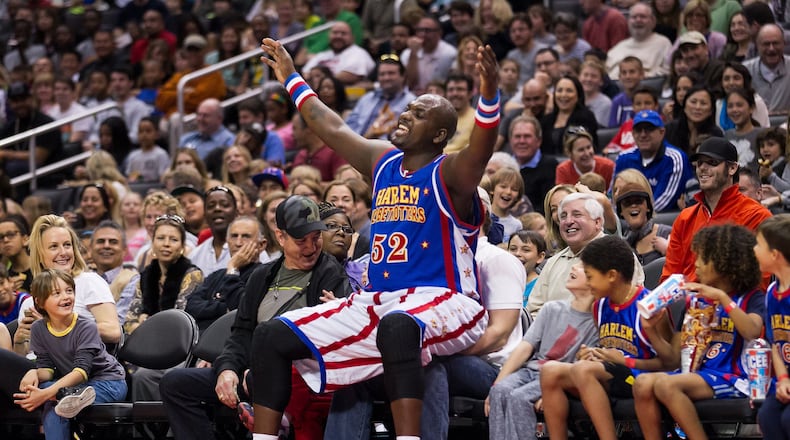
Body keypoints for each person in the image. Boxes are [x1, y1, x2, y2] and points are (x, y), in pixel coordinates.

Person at [250, 37, 501, 439]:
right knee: (271, 336)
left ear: (438, 135)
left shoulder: (450, 175)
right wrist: (292, 78)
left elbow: (482, 148)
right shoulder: (382, 161)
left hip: (445, 298)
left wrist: (489, 95)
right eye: (408, 108)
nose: (405, 114)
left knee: (399, 328)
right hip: (378, 300)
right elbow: (329, 125)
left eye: (418, 114)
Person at [159, 196, 350, 440]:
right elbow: (241, 333)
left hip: (297, 375)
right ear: (280, 237)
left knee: (264, 376)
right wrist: (227, 369)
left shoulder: (330, 273)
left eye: (316, 238)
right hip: (252, 371)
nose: (311, 248)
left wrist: (259, 369)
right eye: (301, 241)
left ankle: (275, 423)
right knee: (175, 383)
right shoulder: (262, 276)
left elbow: (322, 338)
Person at [634, 223, 764, 440]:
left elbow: (752, 330)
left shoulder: (753, 298)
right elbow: (675, 358)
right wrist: (653, 330)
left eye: (701, 259)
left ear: (723, 262)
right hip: (696, 374)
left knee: (667, 385)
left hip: (736, 377)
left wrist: (723, 298)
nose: (696, 265)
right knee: (642, 384)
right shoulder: (695, 300)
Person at [540, 235, 674, 440]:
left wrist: (624, 361)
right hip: (612, 376)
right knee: (550, 370)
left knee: (584, 370)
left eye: (590, 276)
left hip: (642, 377)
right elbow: (608, 355)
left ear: (611, 275)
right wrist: (594, 354)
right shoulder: (599, 306)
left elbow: (669, 364)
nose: (588, 283)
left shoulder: (650, 305)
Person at [486, 263, 597, 440]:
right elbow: (525, 347)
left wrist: (552, 393)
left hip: (555, 377)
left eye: (582, 267)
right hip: (530, 371)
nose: (574, 268)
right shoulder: (551, 308)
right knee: (499, 391)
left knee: (518, 398)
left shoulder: (596, 322)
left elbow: (579, 368)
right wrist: (497, 383)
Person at [13, 269, 127, 440]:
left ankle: (67, 397)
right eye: (56, 293)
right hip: (72, 386)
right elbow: (46, 368)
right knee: (51, 396)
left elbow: (81, 372)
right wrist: (34, 373)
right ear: (39, 301)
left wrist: (46, 394)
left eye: (69, 291)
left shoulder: (86, 326)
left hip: (108, 382)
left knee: (55, 403)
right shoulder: (38, 328)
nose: (66, 297)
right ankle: (67, 396)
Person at [661, 137, 772, 283]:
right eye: (700, 163)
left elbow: (760, 279)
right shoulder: (685, 218)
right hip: (686, 302)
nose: (702, 168)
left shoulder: (757, 215)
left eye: (712, 162)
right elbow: (669, 276)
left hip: (731, 303)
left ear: (732, 168)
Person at [124, 214, 203, 401]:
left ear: (182, 246)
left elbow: (178, 322)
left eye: (173, 239)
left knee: (144, 375)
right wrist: (143, 325)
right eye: (161, 238)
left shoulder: (192, 275)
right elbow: (130, 321)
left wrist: (145, 324)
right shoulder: (146, 276)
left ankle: (161, 428)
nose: (166, 244)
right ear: (152, 243)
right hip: (147, 348)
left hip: (180, 351)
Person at [29, 215, 120, 345]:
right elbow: (28, 354)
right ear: (39, 253)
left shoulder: (89, 282)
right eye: (54, 246)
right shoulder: (30, 301)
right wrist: (20, 341)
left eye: (67, 245)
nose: (63, 252)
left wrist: (60, 326)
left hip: (85, 362)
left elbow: (113, 332)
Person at [185, 216, 266, 331]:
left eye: (246, 236)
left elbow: (242, 308)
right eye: (234, 236)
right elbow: (191, 306)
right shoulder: (217, 275)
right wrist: (224, 308)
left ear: (261, 245)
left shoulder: (265, 275)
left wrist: (233, 268)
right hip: (202, 341)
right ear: (227, 242)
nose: (238, 243)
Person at [615, 110, 693, 212]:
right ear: (633, 134)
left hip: (664, 221)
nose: (643, 135)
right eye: (638, 130)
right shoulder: (623, 158)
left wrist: (635, 215)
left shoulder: (674, 159)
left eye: (649, 129)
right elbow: (613, 195)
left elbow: (664, 201)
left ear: (662, 132)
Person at [755, 214, 790, 439]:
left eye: (759, 244)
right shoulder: (771, 293)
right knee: (767, 416)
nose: (754, 249)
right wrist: (784, 379)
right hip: (785, 378)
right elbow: (775, 345)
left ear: (774, 255)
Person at [345, 55, 415, 140]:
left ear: (403, 76)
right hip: (356, 144)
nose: (386, 78)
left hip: (388, 149)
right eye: (382, 74)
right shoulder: (367, 98)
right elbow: (349, 126)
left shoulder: (412, 102)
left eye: (391, 73)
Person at [613, 169, 671, 265]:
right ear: (621, 211)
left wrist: (669, 251)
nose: (633, 205)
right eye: (627, 202)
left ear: (648, 206)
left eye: (638, 200)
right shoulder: (621, 245)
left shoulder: (666, 233)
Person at [90, 221, 139, 326]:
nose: (106, 246)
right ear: (90, 249)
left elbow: (118, 323)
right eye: (100, 241)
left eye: (113, 242)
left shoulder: (133, 280)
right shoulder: (81, 277)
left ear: (125, 250)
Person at [606, 3, 672, 79]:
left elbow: (666, 72)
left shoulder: (663, 43)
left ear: (653, 21)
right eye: (634, 17)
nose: (638, 20)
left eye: (643, 17)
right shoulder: (618, 47)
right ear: (628, 21)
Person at [187, 186, 240, 275]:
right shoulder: (195, 255)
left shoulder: (251, 249)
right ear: (205, 214)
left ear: (236, 213)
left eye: (225, 205)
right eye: (211, 206)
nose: (217, 209)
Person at [301, 21, 374, 86]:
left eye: (343, 33)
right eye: (335, 33)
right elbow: (305, 74)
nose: (338, 36)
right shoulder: (322, 55)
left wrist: (317, 80)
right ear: (329, 36)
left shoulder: (359, 53)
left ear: (352, 37)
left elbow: (349, 76)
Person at [401, 16, 458, 95]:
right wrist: (413, 53)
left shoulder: (449, 53)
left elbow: (453, 84)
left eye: (428, 31)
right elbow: (410, 84)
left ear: (439, 33)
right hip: (413, 97)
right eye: (420, 30)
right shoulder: (407, 54)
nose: (423, 34)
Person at [742, 24, 790, 114]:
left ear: (784, 44)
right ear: (757, 45)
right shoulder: (745, 70)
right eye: (766, 44)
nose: (771, 48)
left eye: (775, 43)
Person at [555, 126, 614, 191]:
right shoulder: (563, 170)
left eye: (589, 147)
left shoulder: (608, 166)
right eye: (581, 150)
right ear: (570, 153)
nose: (587, 153)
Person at [0, 214, 32, 294]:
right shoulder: (6, 281)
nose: (6, 240)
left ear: (25, 239)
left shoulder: (44, 264)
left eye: (10, 234)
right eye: (0, 237)